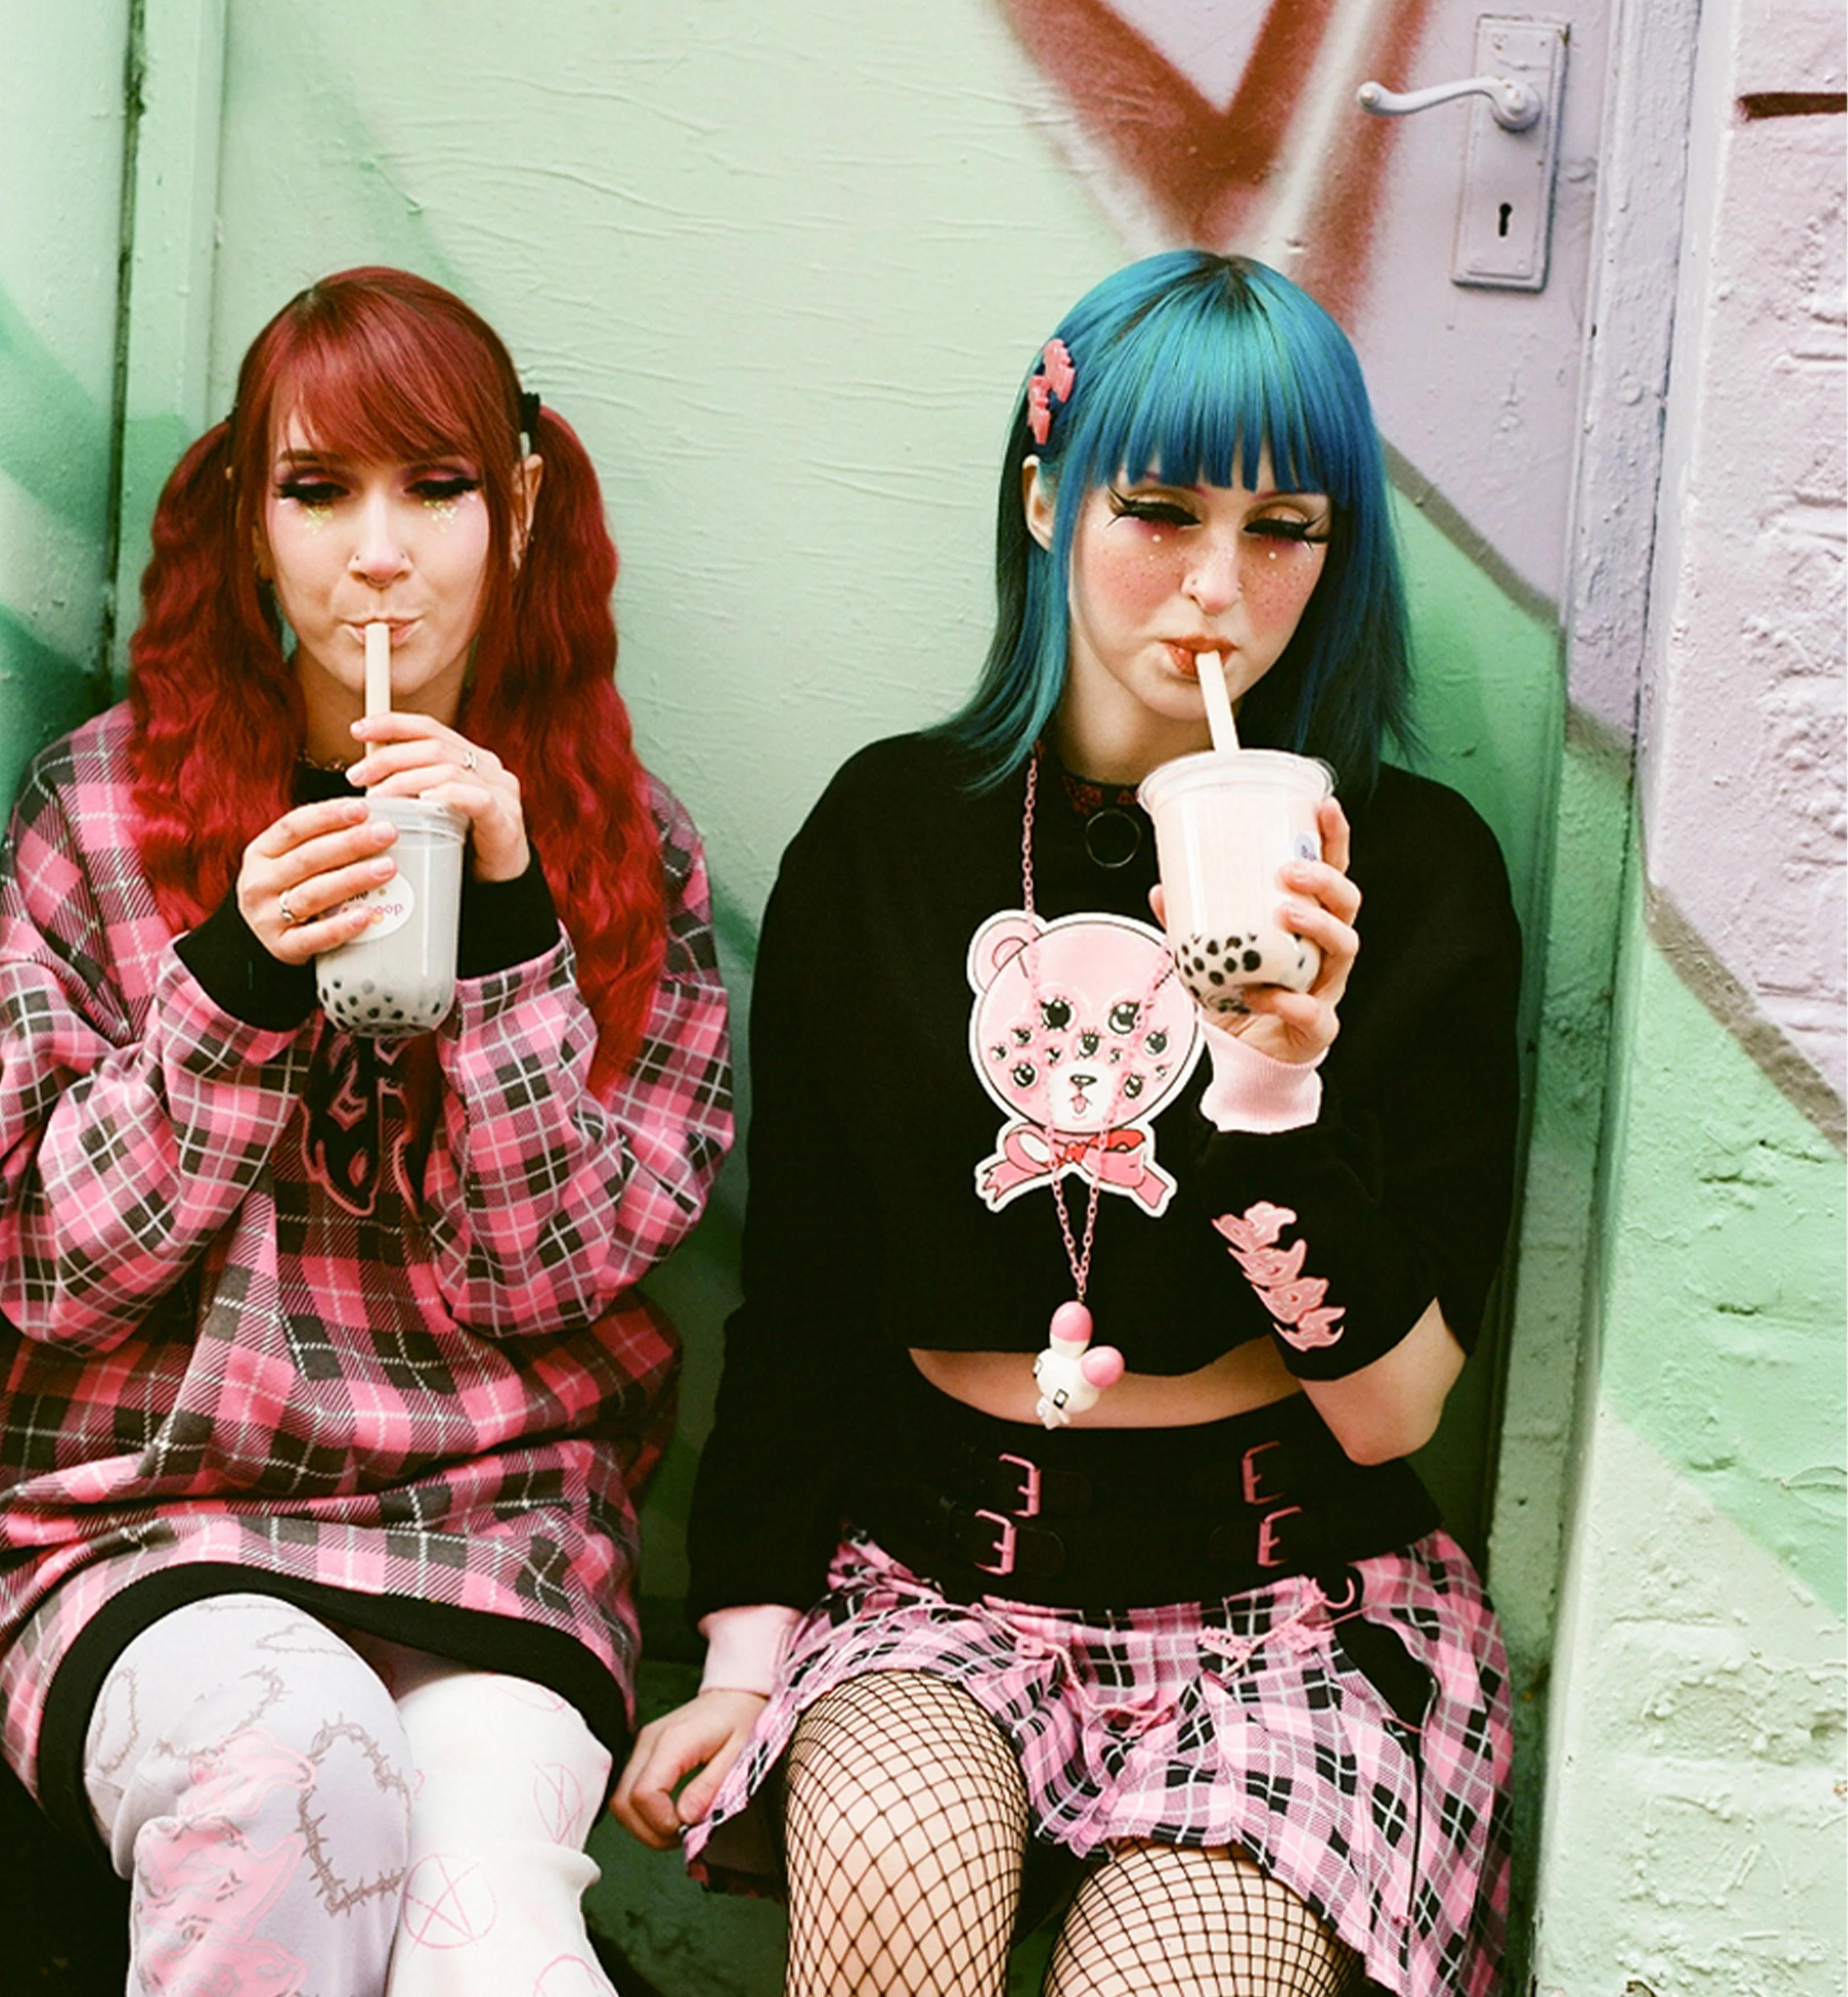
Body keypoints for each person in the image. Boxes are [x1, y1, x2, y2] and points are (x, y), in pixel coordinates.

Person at [612, 251, 1520, 1997]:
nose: (1215, 586)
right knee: (891, 1883)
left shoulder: (1407, 871)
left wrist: (1271, 1086)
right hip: (938, 1582)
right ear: (1045, 501)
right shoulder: (892, 836)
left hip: (1289, 1608)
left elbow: (1395, 1408)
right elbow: (804, 1296)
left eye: (1282, 528)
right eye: (1157, 509)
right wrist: (739, 1650)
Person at [0, 267, 733, 1995]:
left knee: (492, 1932)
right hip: (154, 1519)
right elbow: (49, 1273)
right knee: (292, 1774)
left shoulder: (624, 845)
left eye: (434, 489)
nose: (378, 555)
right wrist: (235, 978)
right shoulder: (104, 808)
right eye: (319, 491)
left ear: (519, 506)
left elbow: (547, 1281)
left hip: (497, 1535)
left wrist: (513, 933)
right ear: (252, 520)